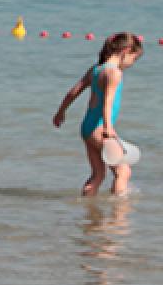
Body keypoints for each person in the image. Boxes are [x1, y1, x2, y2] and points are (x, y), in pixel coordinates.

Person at [53, 33, 143, 197]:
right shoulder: (114, 73)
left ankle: (88, 209)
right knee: (123, 171)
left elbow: (73, 92)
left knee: (98, 174)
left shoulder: (95, 69)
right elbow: (107, 103)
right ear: (126, 51)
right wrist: (108, 129)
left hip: (88, 128)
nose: (132, 64)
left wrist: (60, 112)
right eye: (134, 58)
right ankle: (118, 214)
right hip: (101, 128)